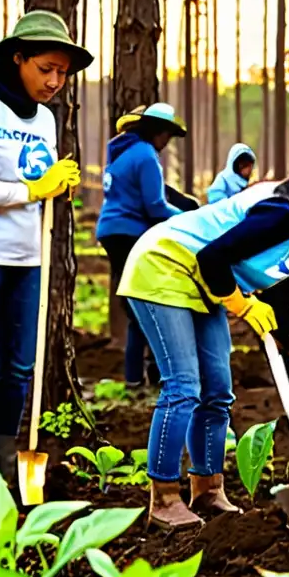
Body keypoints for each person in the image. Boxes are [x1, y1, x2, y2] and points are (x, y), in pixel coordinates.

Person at [117, 137, 289, 528]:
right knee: (184, 385)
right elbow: (212, 257)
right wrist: (242, 304)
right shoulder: (282, 211)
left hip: (204, 282)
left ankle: (208, 489)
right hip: (164, 265)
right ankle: (164, 498)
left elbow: (281, 292)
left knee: (217, 390)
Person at [0, 10, 92, 481]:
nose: (55, 81)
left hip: (28, 257)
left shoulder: (48, 121)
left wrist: (58, 186)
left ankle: (7, 460)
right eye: (45, 69)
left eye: (63, 72)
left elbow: (41, 179)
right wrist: (33, 190)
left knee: (17, 367)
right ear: (18, 58)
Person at [96, 103, 188, 388]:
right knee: (143, 305)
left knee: (136, 304)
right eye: (166, 135)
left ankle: (138, 376)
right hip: (130, 234)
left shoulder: (122, 154)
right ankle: (143, 376)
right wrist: (191, 217)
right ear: (156, 131)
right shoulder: (146, 155)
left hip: (112, 232)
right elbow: (156, 206)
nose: (166, 143)